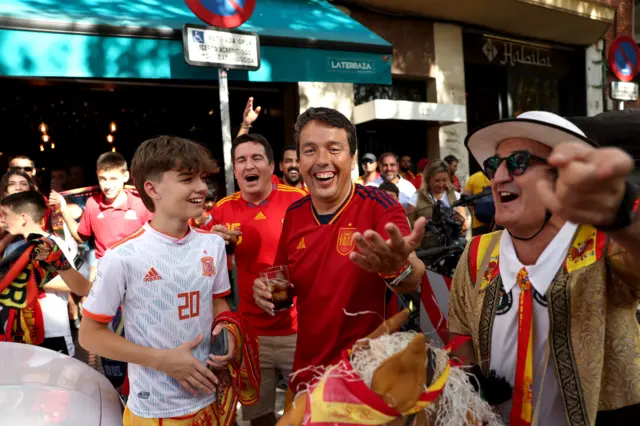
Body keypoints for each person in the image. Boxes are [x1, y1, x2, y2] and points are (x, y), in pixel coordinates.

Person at [448, 111, 640, 425]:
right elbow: (459, 333)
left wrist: (622, 214)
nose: (498, 177)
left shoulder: (603, 244)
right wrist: (473, 386)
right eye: (495, 165)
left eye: (518, 162)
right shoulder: (477, 252)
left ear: (561, 175)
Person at [79, 136, 259, 425]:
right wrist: (162, 360)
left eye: (201, 178)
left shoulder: (212, 245)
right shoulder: (121, 257)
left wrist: (228, 335)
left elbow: (218, 304)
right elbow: (89, 335)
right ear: (152, 189)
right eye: (187, 179)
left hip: (210, 399)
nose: (202, 188)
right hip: (154, 410)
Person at [252, 107, 426, 395]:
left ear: (352, 158)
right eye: (310, 150)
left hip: (369, 379)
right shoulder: (294, 214)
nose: (322, 161)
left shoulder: (379, 205)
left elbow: (412, 276)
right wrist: (265, 290)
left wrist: (397, 267)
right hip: (308, 376)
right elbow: (285, 281)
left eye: (334, 149)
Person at [213, 133, 306, 426]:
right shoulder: (223, 209)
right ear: (235, 169)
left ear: (271, 166)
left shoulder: (299, 201)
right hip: (251, 337)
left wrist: (288, 282)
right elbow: (212, 274)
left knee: (307, 412)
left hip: (299, 331)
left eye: (256, 158)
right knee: (258, 416)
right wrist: (213, 245)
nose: (248, 165)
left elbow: (317, 260)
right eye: (241, 160)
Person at [0, 191, 90, 355]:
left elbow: (83, 286)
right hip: (16, 331)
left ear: (23, 218)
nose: (2, 219)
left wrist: (29, 276)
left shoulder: (57, 244)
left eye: (5, 214)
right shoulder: (13, 248)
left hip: (52, 331)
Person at [51, 152, 151, 261]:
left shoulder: (141, 203)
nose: (108, 186)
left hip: (137, 267)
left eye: (113, 179)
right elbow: (81, 238)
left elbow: (158, 239)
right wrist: (64, 209)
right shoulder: (92, 204)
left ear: (126, 176)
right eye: (103, 179)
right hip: (105, 270)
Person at [464, 170, 493, 236]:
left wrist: (473, 212)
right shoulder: (495, 176)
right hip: (495, 223)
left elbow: (466, 199)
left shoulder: (473, 178)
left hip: (478, 224)